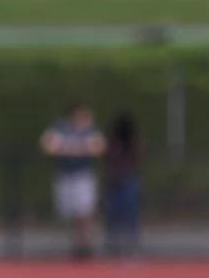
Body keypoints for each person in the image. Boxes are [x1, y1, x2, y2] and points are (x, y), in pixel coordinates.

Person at [40, 104, 106, 259]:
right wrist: (77, 147)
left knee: (85, 210)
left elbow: (98, 147)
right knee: (70, 212)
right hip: (65, 175)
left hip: (83, 175)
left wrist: (70, 148)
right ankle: (77, 243)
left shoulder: (90, 129)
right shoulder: (61, 127)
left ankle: (85, 245)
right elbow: (48, 145)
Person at [103, 112, 142, 257]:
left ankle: (128, 246)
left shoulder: (131, 141)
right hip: (116, 179)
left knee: (128, 215)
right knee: (115, 215)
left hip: (126, 179)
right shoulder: (114, 141)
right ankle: (115, 246)